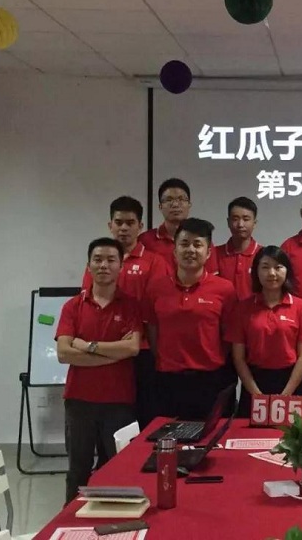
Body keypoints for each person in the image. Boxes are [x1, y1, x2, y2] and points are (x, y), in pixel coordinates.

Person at [56, 237, 141, 504]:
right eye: (98, 259)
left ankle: (114, 521)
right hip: (79, 401)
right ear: (88, 265)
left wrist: (87, 346)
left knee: (116, 468)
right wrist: (113, 354)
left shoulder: (131, 305)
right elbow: (63, 353)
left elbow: (133, 348)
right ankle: (71, 521)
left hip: (118, 402)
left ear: (121, 266)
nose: (104, 265)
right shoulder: (73, 306)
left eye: (111, 260)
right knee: (78, 470)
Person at [80, 196, 165, 430]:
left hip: (143, 350)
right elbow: (89, 302)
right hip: (105, 349)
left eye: (130, 222)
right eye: (119, 222)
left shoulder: (154, 262)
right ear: (110, 225)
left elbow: (154, 307)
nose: (124, 228)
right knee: (110, 418)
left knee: (145, 414)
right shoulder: (99, 262)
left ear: (141, 226)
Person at [144, 218, 237, 420]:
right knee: (168, 437)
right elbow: (153, 331)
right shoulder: (156, 288)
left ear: (208, 252)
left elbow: (228, 335)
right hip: (167, 380)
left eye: (197, 244)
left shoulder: (224, 289)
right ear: (175, 250)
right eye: (184, 244)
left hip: (210, 380)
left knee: (210, 437)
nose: (191, 250)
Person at [227, 245, 302, 417]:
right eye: (265, 267)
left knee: (293, 433)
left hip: (291, 381)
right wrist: (256, 394)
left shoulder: (300, 307)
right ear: (256, 271)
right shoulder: (243, 308)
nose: (272, 273)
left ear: (287, 271)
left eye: (278, 267)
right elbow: (238, 357)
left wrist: (285, 395)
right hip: (254, 382)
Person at [139, 178, 218, 275]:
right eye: (169, 200)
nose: (175, 204)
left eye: (181, 199)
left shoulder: (202, 240)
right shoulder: (145, 240)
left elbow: (211, 278)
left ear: (189, 205)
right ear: (160, 206)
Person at [214, 196, 262, 301]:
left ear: (254, 223)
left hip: (254, 311)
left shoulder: (263, 255)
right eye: (235, 219)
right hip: (223, 311)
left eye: (246, 219)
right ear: (228, 222)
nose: (240, 224)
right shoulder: (214, 253)